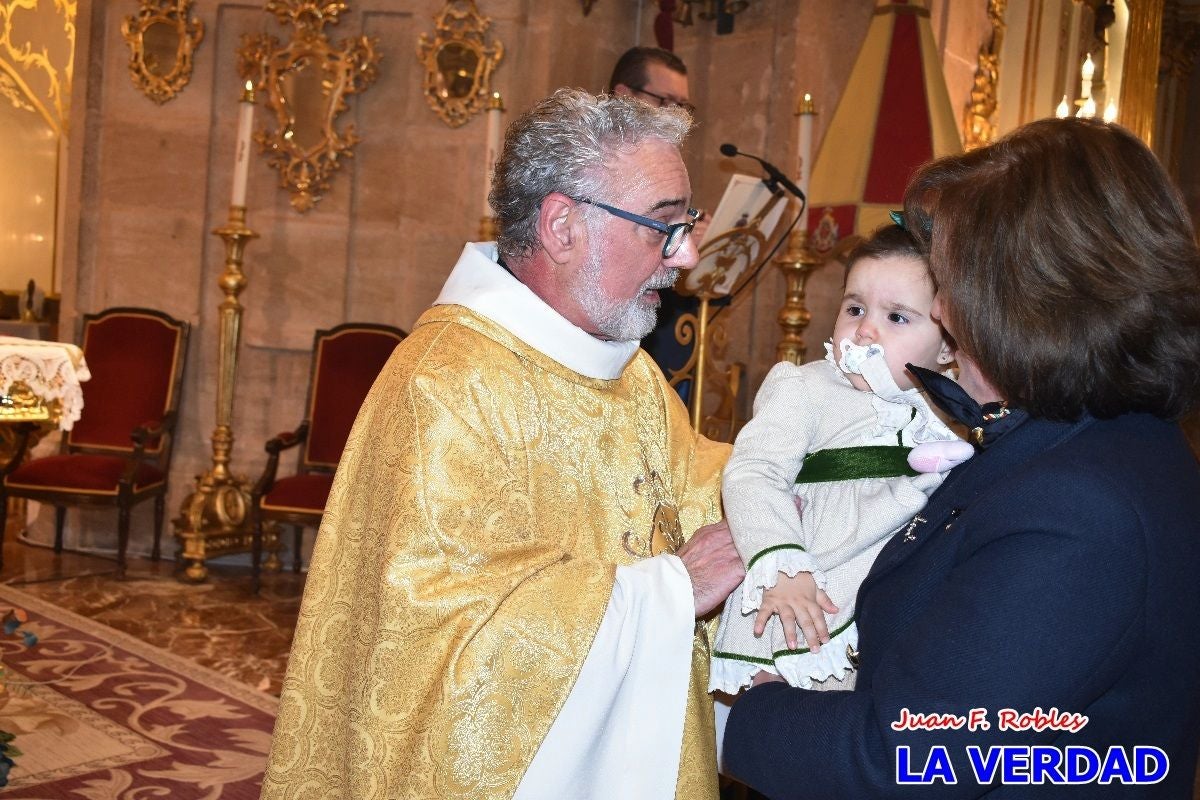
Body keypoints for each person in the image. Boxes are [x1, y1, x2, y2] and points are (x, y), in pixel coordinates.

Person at [261, 88, 745, 800]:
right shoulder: (447, 383)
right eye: (662, 228)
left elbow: (695, 487)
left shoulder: (626, 370)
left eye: (687, 224)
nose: (688, 256)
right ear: (561, 225)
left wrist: (821, 465)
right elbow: (451, 653)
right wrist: (671, 591)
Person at [723, 117, 1200, 798]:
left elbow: (897, 760)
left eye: (951, 285)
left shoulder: (1083, 508)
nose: (942, 311)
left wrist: (725, 715)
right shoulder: (1092, 438)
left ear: (1027, 299)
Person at [710, 225, 966, 697]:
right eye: (854, 309)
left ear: (948, 346)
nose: (866, 329)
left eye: (897, 318)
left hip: (894, 598)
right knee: (789, 718)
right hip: (812, 586)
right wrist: (784, 566)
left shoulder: (950, 409)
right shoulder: (806, 388)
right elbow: (754, 471)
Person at [608, 46, 714, 401]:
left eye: (683, 105)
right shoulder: (590, 166)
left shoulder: (670, 167)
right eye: (666, 101)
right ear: (624, 96)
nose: (678, 117)